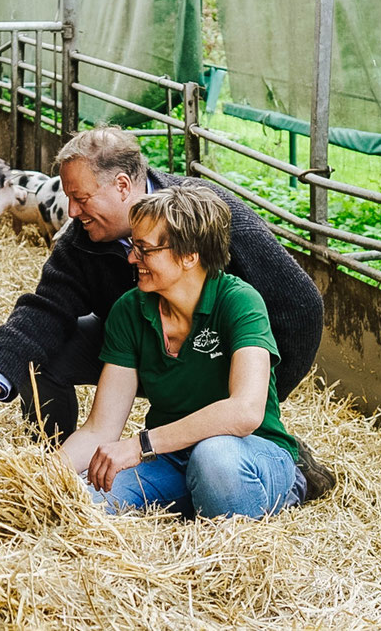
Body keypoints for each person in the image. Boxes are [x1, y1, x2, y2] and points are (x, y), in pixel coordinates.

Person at [0, 126, 334, 500]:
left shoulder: (208, 221)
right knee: (86, 483)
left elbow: (298, 308)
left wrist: (254, 390)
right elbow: (43, 316)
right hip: (150, 359)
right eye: (133, 248)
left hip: (223, 383)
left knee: (215, 454)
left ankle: (286, 475)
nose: (71, 211)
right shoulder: (121, 297)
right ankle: (54, 450)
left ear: (122, 186)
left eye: (81, 197)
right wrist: (38, 479)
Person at [59, 185, 303, 517]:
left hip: (248, 452)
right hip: (172, 458)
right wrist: (45, 474)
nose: (132, 258)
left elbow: (245, 412)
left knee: (214, 458)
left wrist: (142, 445)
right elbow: (101, 428)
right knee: (87, 501)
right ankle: (197, 500)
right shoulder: (130, 310)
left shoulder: (239, 301)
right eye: (134, 246)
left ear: (189, 255)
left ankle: (285, 491)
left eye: (144, 249)